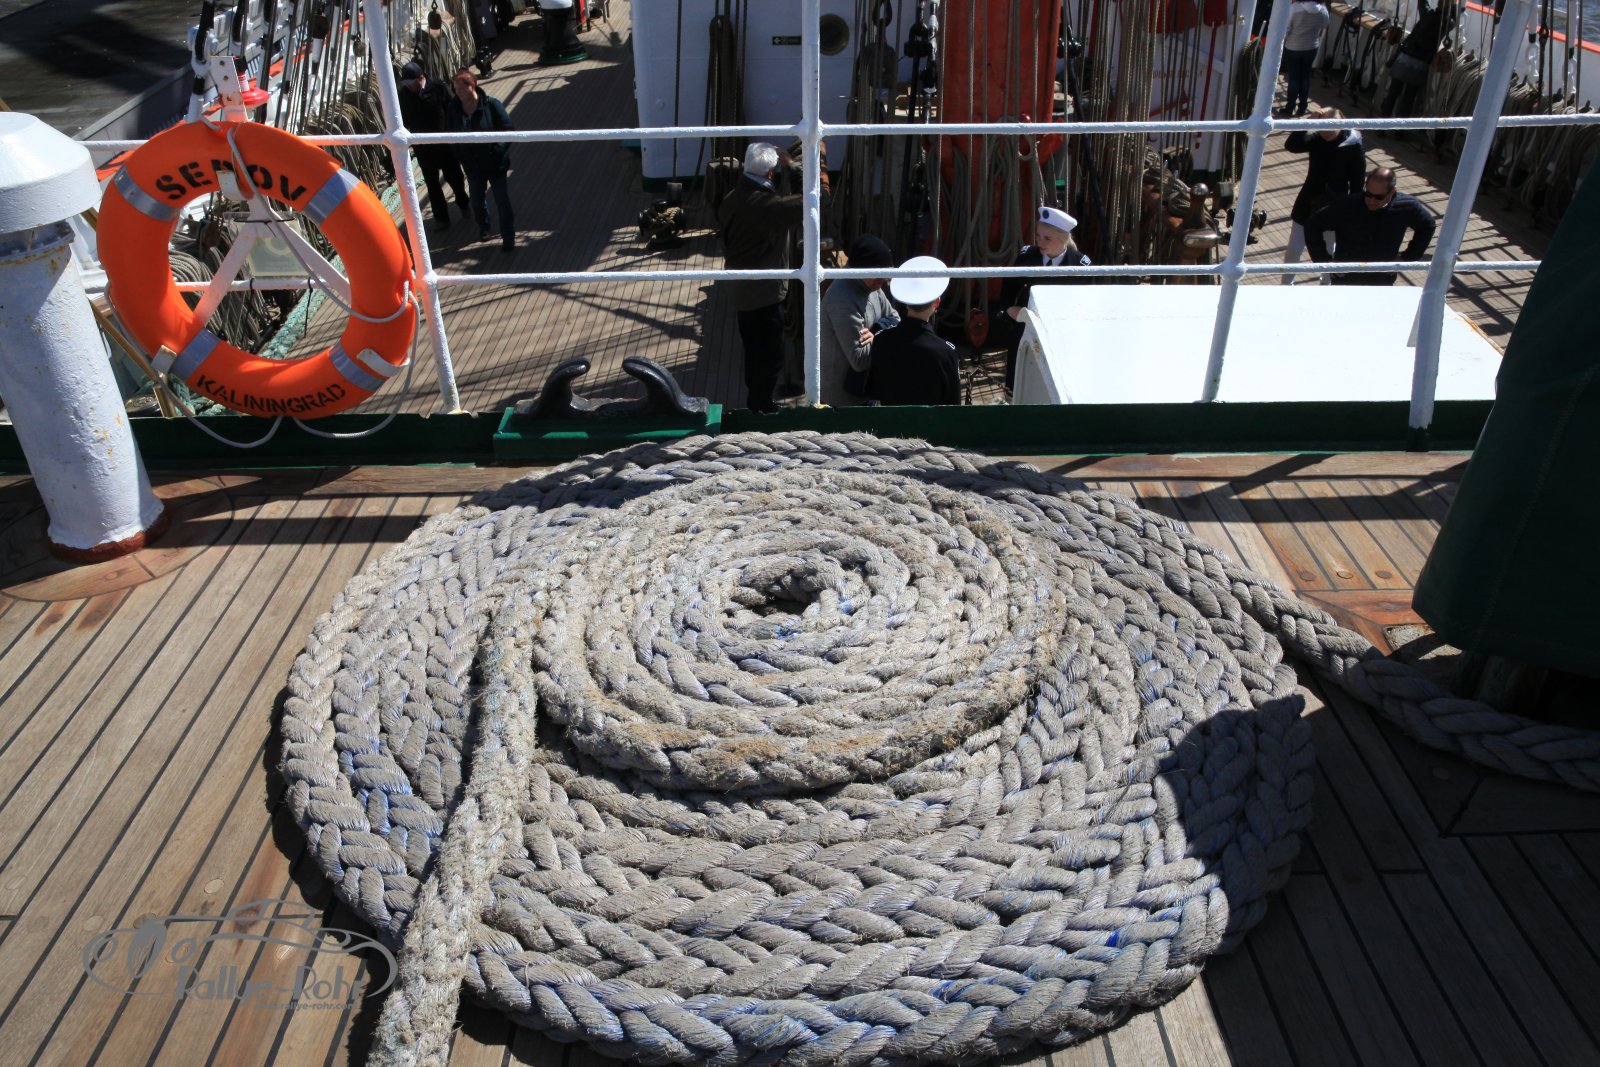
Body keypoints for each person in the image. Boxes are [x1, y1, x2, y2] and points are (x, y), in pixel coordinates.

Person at [717, 142, 803, 412]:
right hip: (765, 294)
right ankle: (762, 407)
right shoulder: (769, 206)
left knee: (753, 349)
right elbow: (814, 201)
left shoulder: (731, 198)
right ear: (770, 173)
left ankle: (756, 401)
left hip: (741, 290)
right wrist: (793, 167)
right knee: (771, 354)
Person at [997, 205, 1091, 392]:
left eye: (1047, 238)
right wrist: (1013, 312)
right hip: (1027, 325)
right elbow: (1008, 291)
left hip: (1063, 331)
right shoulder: (1027, 257)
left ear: (1063, 239)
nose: (1040, 242)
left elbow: (1086, 303)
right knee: (1019, 375)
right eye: (1038, 236)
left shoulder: (1080, 265)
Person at [1305, 166, 1436, 285]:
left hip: (1381, 280)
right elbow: (1312, 225)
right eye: (1367, 194)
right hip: (1346, 279)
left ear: (1392, 192)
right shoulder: (1348, 205)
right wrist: (1325, 261)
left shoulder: (1407, 207)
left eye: (1378, 197)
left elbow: (1427, 226)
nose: (1371, 201)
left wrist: (1407, 258)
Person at [1281, 108, 1365, 283]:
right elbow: (1291, 145)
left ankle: (1326, 282)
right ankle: (1286, 283)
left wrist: (1352, 210)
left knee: (1329, 248)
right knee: (1294, 247)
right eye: (1322, 127)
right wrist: (1309, 121)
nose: (1326, 132)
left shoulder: (1353, 145)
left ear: (1341, 125)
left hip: (1335, 204)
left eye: (1330, 128)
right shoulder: (1316, 139)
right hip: (1308, 200)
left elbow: (1357, 182)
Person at [865, 256, 961, 406]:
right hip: (930, 421)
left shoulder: (881, 341)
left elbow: (874, 389)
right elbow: (953, 404)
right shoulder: (946, 352)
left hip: (891, 420)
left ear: (906, 302)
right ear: (937, 302)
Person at [820, 234, 899, 407]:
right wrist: (883, 336)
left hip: (866, 392)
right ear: (860, 269)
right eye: (878, 273)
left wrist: (877, 332)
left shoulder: (873, 286)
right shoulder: (842, 300)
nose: (883, 279)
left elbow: (896, 319)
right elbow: (859, 360)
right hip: (843, 403)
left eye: (885, 273)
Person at [445, 70, 516, 251]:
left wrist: (497, 150)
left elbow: (508, 129)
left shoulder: (491, 105)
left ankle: (508, 236)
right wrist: (460, 155)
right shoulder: (454, 109)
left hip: (495, 164)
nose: (459, 93)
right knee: (477, 202)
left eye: (462, 88)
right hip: (472, 166)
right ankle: (484, 227)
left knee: (502, 201)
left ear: (472, 86)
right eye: (456, 89)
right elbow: (450, 134)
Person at [397, 62, 470, 235]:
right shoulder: (404, 96)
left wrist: (456, 133)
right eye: (406, 84)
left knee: (455, 178)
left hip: (445, 145)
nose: (409, 87)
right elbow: (403, 120)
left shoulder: (439, 88)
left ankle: (463, 203)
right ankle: (441, 219)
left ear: (421, 78)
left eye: (410, 83)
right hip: (424, 148)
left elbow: (453, 109)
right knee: (432, 185)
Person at [1382, 0, 1447, 122]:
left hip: (1405, 60)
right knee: (1408, 99)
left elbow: (1422, 2)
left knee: (1393, 93)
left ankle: (1382, 124)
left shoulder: (1427, 14)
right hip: (1421, 65)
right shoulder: (1448, 22)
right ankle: (1399, 129)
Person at [1278, 0, 1330, 118]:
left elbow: (1286, 29)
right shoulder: (1322, 9)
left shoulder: (1294, 8)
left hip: (1293, 46)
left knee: (1294, 78)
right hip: (1311, 47)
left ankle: (1290, 107)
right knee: (1305, 77)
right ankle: (1302, 107)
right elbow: (1325, 24)